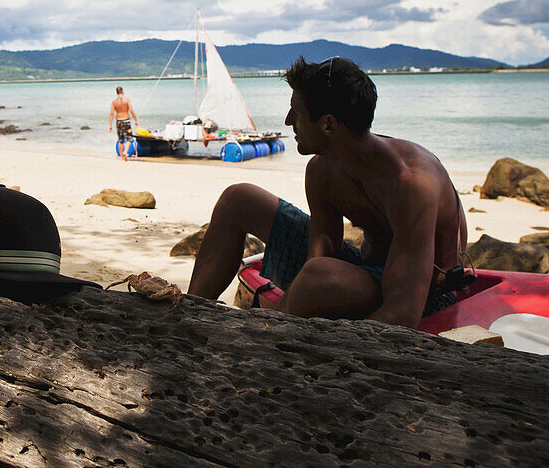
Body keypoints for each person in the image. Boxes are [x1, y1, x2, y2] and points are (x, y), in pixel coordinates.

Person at [188, 57, 466, 328]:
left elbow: (403, 313)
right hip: (365, 274)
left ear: (329, 124)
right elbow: (320, 253)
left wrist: (328, 336)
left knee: (317, 277)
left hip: (426, 293)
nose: (288, 121)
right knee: (238, 200)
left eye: (296, 112)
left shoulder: (410, 183)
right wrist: (310, 295)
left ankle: (263, 346)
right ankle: (186, 315)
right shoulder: (323, 170)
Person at [108, 86, 139, 160]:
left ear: (117, 92)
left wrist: (110, 124)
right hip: (126, 121)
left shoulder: (114, 102)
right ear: (122, 91)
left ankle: (121, 156)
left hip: (118, 121)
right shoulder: (127, 100)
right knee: (129, 138)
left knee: (120, 139)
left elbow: (112, 113)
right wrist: (136, 120)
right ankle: (125, 152)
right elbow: (131, 110)